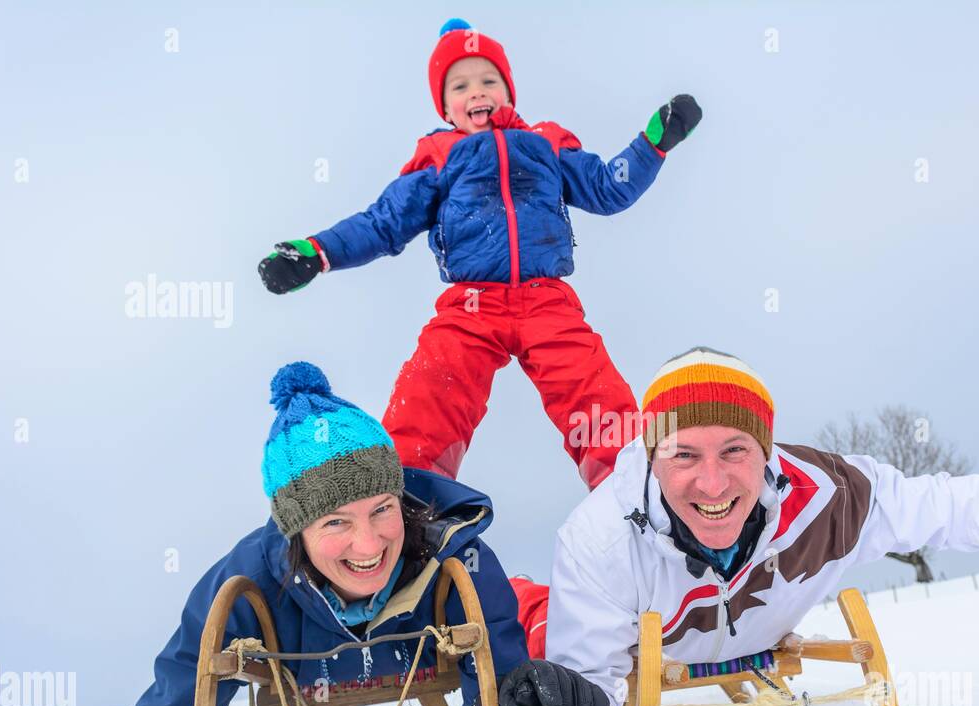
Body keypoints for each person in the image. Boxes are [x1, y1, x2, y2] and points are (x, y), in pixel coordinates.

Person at [16, 361, 641, 706]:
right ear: (295, 530)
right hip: (303, 674)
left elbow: (497, 681)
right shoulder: (245, 579)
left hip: (417, 653)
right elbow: (180, 692)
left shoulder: (458, 557)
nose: (368, 545)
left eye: (381, 510)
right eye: (334, 522)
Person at [513, 347, 979, 706]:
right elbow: (592, 680)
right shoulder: (604, 536)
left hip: (741, 635)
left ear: (766, 453)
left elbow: (958, 506)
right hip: (647, 640)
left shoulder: (833, 498)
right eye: (683, 455)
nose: (712, 483)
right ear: (651, 455)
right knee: (535, 625)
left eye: (734, 450)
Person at [257, 19, 702, 490]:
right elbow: (382, 222)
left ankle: (632, 487)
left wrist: (653, 143)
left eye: (489, 80)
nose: (477, 92)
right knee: (433, 385)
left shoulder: (545, 142)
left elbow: (606, 188)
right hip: (471, 303)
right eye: (461, 85)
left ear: (509, 91)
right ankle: (410, 488)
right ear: (445, 106)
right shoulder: (439, 154)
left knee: (590, 387)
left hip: (546, 298)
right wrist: (317, 252)